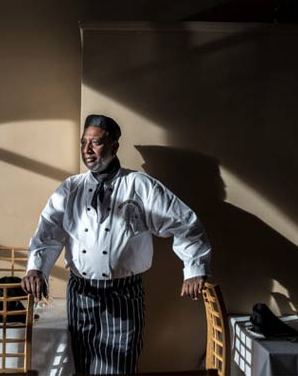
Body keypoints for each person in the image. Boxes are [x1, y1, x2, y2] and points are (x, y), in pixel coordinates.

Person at [22, 114, 211, 375]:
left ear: (114, 147)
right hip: (81, 293)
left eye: (96, 143)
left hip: (123, 293)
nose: (87, 150)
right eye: (83, 143)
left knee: (120, 364)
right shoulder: (70, 188)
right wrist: (36, 269)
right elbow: (48, 232)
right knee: (82, 365)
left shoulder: (140, 186)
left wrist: (194, 269)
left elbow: (186, 224)